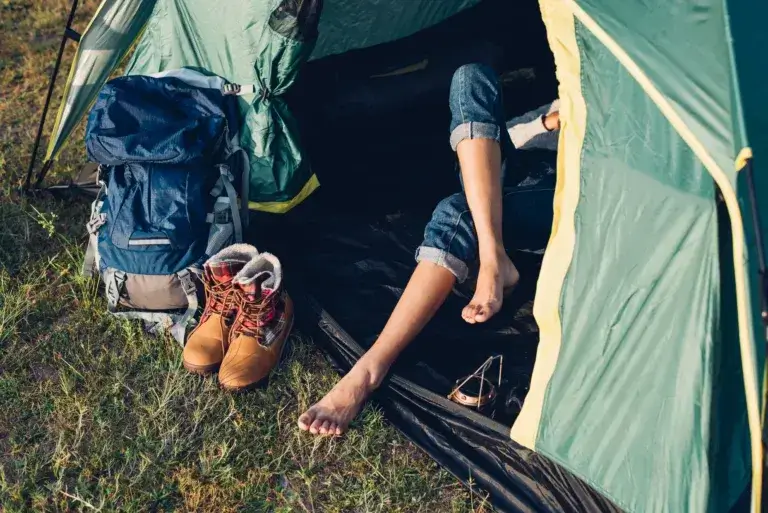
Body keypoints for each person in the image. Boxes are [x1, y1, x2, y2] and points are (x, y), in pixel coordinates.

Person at [298, 63, 560, 436]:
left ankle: (369, 369)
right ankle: (493, 253)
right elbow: (516, 134)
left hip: (569, 185)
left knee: (457, 211)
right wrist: (550, 121)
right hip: (515, 168)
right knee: (470, 77)